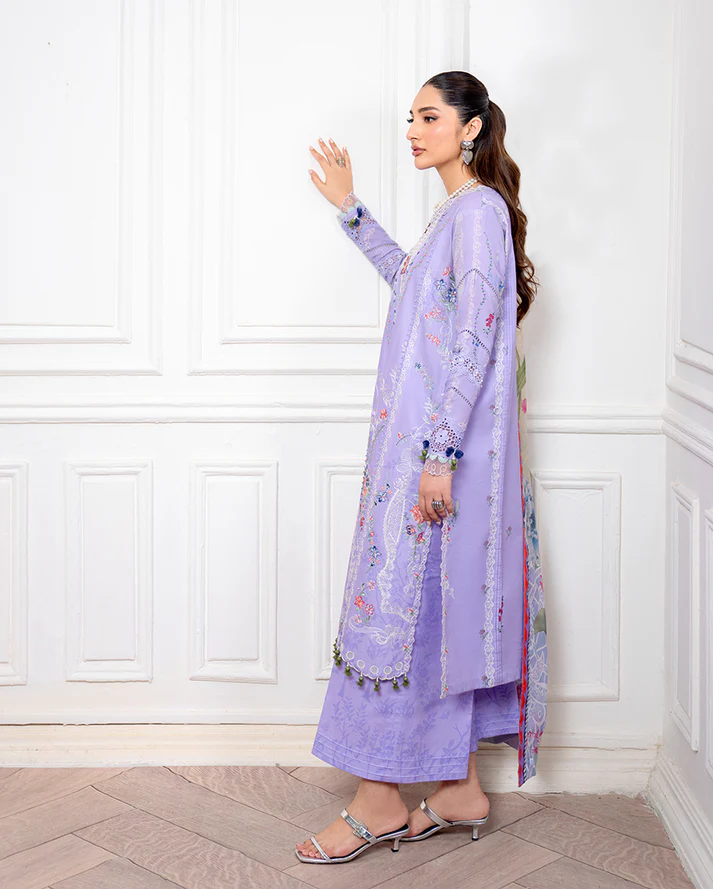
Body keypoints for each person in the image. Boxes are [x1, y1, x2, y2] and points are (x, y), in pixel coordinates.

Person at [296, 70, 547, 865]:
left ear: (470, 128)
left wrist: (439, 455)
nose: (411, 129)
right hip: (418, 452)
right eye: (410, 116)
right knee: (431, 616)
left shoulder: (477, 213)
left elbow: (474, 335)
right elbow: (413, 286)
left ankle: (377, 800)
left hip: (435, 460)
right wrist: (351, 209)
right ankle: (458, 789)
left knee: (400, 614)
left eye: (428, 116)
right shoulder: (460, 213)